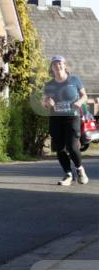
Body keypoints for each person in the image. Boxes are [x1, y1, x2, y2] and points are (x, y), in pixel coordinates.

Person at [42, 56, 89, 186]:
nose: (57, 66)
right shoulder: (49, 85)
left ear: (65, 65)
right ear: (51, 68)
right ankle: (68, 174)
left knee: (72, 147)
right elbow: (44, 102)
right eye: (54, 64)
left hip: (72, 117)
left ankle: (80, 169)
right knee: (60, 148)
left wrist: (79, 102)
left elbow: (84, 95)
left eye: (60, 63)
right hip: (56, 119)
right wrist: (47, 102)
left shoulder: (74, 80)